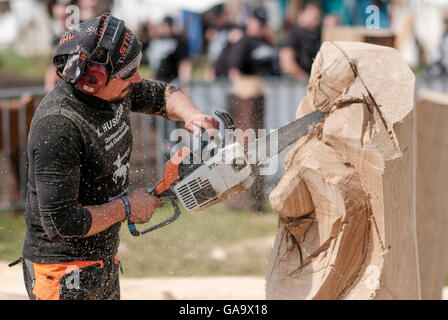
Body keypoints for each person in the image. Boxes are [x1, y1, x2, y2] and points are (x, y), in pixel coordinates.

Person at [18, 14, 219, 300]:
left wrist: (193, 115)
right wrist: (126, 207)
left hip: (103, 259)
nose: (136, 78)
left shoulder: (116, 88)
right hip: (62, 270)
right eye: (129, 73)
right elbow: (62, 224)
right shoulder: (59, 125)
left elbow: (162, 94)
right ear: (92, 79)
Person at [225, 6, 279, 212]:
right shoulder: (244, 42)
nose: (261, 26)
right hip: (246, 103)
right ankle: (239, 200)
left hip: (261, 103)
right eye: (258, 22)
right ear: (250, 21)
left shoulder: (266, 41)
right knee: (245, 150)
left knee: (259, 153)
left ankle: (256, 199)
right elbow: (234, 72)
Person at [279, 1, 322, 81]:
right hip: (298, 85)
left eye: (317, 13)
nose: (315, 16)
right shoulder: (297, 33)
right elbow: (286, 59)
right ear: (301, 15)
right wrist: (303, 77)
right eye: (310, 13)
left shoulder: (317, 34)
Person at [146, 16, 192, 86]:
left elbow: (184, 63)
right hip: (159, 79)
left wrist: (184, 84)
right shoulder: (157, 40)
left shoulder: (178, 41)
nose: (163, 29)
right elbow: (156, 65)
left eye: (165, 26)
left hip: (173, 80)